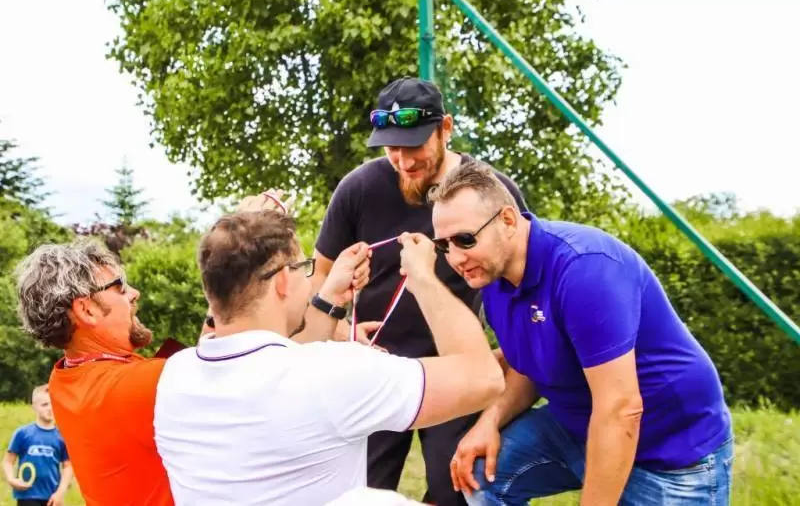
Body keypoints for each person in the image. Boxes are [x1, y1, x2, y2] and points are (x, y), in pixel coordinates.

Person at [428, 161, 735, 506]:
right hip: (578, 427)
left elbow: (621, 410)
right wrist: (490, 421)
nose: (456, 258)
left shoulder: (584, 269)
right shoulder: (493, 279)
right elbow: (529, 365)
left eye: (465, 239)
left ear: (508, 220)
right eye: (444, 245)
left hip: (670, 453)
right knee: (479, 476)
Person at [152, 207, 504, 506]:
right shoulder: (336, 372)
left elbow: (274, 364)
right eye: (305, 268)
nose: (310, 281)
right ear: (282, 281)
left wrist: (330, 297)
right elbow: (482, 378)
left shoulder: (175, 375)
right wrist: (424, 278)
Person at [311, 76, 528, 505]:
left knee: (458, 492)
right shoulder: (359, 188)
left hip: (453, 373)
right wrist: (340, 332)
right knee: (356, 495)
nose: (404, 160)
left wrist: (506, 353)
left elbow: (523, 285)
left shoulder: (491, 193)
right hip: (374, 372)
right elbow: (319, 278)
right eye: (392, 148)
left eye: (414, 146)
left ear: (445, 128)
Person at [14, 240, 174, 506]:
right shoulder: (134, 386)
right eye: (120, 287)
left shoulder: (64, 378)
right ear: (86, 310)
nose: (134, 293)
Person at [2, 385, 72, 506]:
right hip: (27, 495)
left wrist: (60, 493)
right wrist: (11, 479)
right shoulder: (22, 433)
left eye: (53, 404)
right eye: (44, 405)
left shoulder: (62, 437)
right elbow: (7, 461)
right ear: (34, 407)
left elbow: (68, 467)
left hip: (52, 497)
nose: (50, 408)